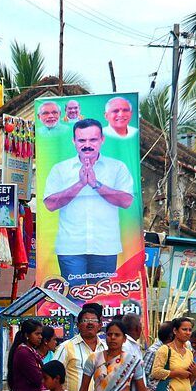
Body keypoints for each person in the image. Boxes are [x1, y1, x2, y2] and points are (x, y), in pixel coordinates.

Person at [42, 119, 135, 288]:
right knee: (73, 298)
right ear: (74, 141)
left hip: (105, 247)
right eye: (82, 140)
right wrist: (79, 184)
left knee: (100, 301)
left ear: (102, 140)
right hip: (71, 248)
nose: (87, 145)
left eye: (92, 140)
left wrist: (95, 184)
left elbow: (127, 201)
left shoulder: (117, 167)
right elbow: (50, 204)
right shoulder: (60, 169)